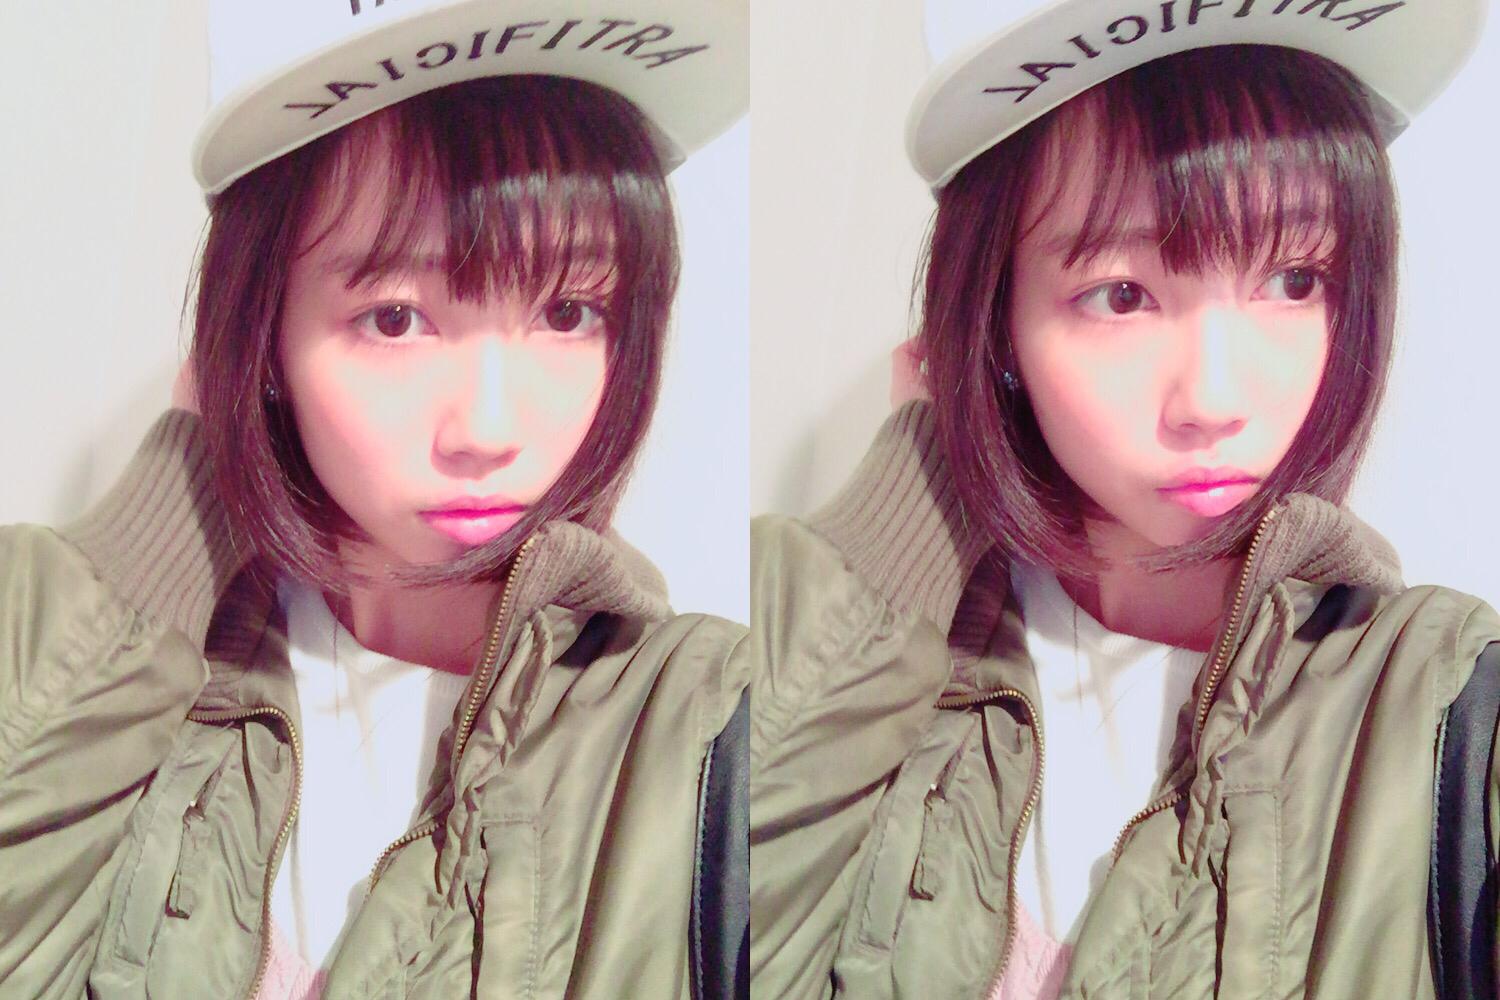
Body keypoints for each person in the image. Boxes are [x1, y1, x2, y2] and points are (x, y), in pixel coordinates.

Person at [749, 2, 1498, 998]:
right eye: (1122, 295)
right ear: (995, 322)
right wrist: (928, 473)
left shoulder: (1447, 704)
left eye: (1293, 279)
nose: (1214, 401)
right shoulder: (884, 667)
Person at [0, 2, 747, 998]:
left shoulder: (702, 722)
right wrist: (188, 482)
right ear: (263, 336)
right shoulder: (132, 675)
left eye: (569, 312)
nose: (488, 427)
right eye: (396, 319)